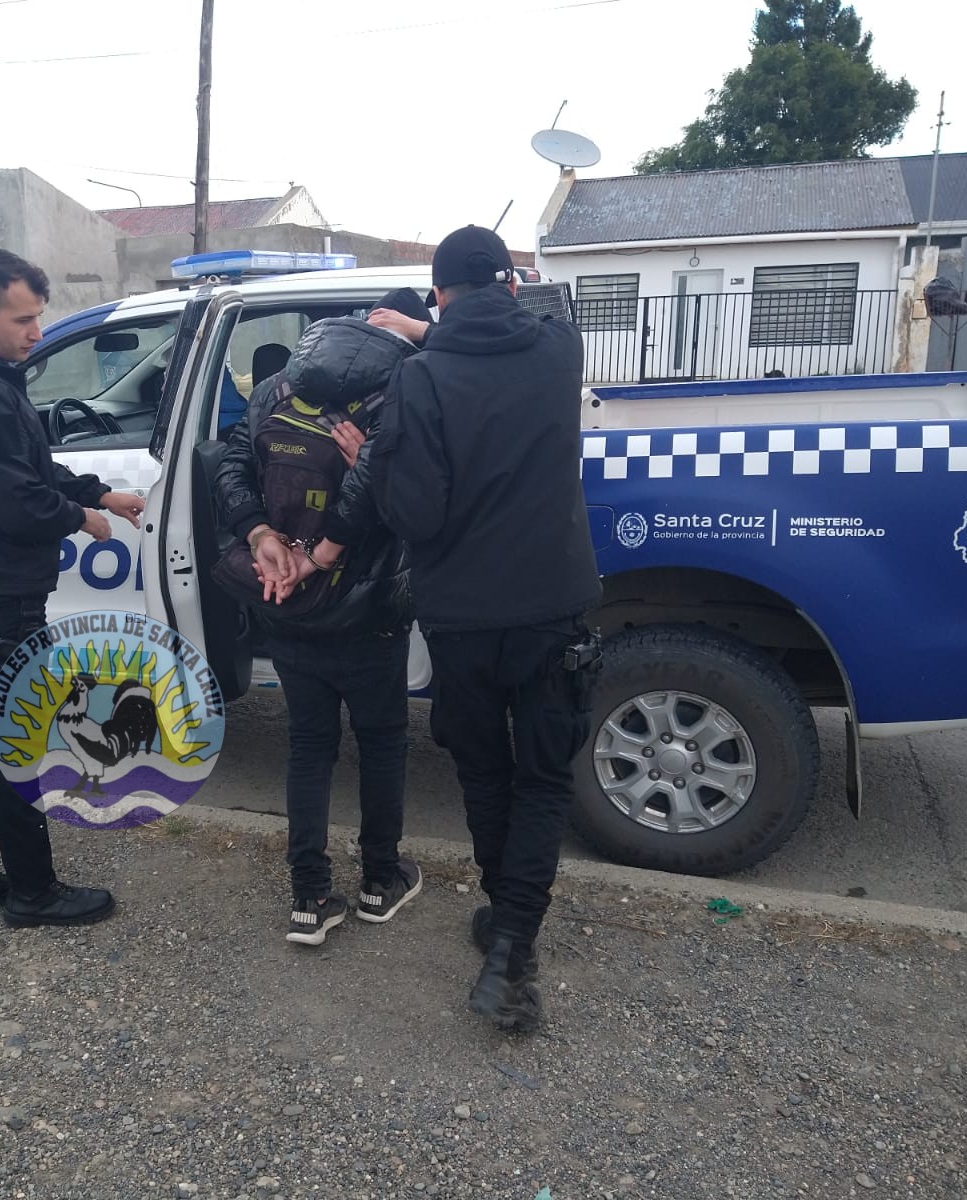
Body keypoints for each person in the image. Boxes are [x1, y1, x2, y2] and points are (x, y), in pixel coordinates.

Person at [369, 228, 602, 1030]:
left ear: (437, 294)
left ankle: (506, 926)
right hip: (552, 608)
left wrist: (379, 459)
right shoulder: (561, 353)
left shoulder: (421, 380)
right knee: (542, 781)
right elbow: (529, 319)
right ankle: (512, 945)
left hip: (463, 619)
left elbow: (416, 516)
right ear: (510, 283)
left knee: (485, 773)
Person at [0, 247, 146, 928]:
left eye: (39, 318)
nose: (36, 333)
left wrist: (97, 489)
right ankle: (31, 891)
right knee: (14, 737)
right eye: (23, 320)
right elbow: (18, 501)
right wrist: (83, 518)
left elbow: (33, 465)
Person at [212, 290, 432, 946]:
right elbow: (408, 502)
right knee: (383, 744)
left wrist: (260, 537)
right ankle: (379, 881)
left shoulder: (279, 387)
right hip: (368, 612)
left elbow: (229, 464)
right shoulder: (405, 395)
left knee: (308, 746)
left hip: (285, 601)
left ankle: (309, 897)